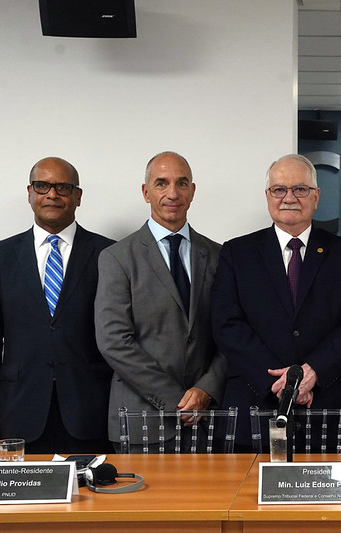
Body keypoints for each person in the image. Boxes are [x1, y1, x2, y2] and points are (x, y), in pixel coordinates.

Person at [211, 154, 341, 449]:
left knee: (326, 492)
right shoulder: (237, 252)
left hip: (326, 403)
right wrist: (283, 382)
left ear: (316, 197)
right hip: (255, 402)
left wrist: (313, 372)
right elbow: (226, 324)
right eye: (279, 189)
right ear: (267, 196)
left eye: (300, 189)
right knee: (250, 494)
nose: (289, 197)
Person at [0, 157, 114, 453]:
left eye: (63, 187)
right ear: (30, 193)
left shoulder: (108, 254)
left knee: (94, 498)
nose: (52, 194)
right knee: (25, 497)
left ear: (78, 196)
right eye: (42, 186)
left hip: (91, 411)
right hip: (18, 413)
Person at [95, 151, 226, 452]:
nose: (172, 193)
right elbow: (114, 341)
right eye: (161, 183)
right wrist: (176, 401)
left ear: (193, 191)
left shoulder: (219, 256)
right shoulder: (117, 258)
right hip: (142, 422)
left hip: (208, 422)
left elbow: (231, 333)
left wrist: (207, 389)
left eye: (182, 183)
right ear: (145, 192)